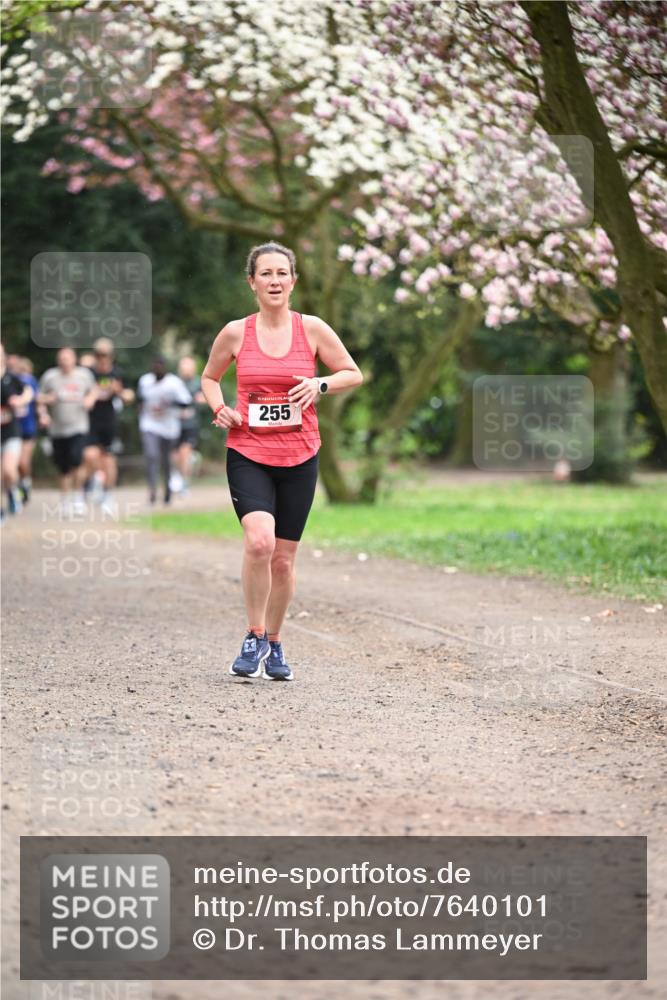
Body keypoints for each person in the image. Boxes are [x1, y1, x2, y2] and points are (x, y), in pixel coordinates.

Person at [201, 242, 363, 682]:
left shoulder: (312, 329)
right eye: (265, 274)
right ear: (252, 282)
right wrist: (219, 408)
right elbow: (210, 377)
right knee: (259, 543)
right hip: (248, 451)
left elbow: (352, 372)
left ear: (293, 280)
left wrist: (320, 385)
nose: (274, 281)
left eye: (281, 273)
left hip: (300, 454)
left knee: (284, 561)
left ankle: (274, 643)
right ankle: (252, 634)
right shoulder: (236, 333)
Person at [37, 347, 97, 514]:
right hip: (57, 428)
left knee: (77, 459)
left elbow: (93, 391)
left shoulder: (83, 375)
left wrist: (89, 400)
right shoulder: (50, 376)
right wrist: (44, 411)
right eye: (62, 358)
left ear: (74, 359)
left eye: (67, 358)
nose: (65, 361)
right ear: (58, 360)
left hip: (79, 426)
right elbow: (39, 398)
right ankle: (65, 500)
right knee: (63, 467)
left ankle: (78, 496)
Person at [82, 337, 131, 512]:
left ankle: (107, 495)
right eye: (98, 354)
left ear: (111, 355)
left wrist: (119, 392)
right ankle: (92, 481)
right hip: (91, 421)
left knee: (109, 461)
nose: (102, 358)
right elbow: (82, 396)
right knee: (90, 456)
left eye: (105, 354)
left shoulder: (117, 373)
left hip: (109, 421)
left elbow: (129, 396)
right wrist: (92, 394)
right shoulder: (88, 374)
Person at [137, 356, 192, 505]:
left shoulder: (173, 383)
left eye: (159, 368)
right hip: (149, 424)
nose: (157, 370)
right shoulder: (145, 381)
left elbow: (186, 402)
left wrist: (170, 404)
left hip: (169, 427)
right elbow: (140, 400)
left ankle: (167, 489)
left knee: (166, 461)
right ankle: (152, 490)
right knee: (151, 455)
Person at [1, 345, 34, 517]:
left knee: (8, 469)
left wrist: (20, 400)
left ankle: (13, 490)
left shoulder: (11, 378)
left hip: (11, 432)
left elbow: (29, 392)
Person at [173, 355, 206, 495]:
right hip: (173, 424)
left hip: (190, 425)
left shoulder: (199, 382)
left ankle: (184, 483)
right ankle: (179, 476)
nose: (185, 369)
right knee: (174, 456)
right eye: (183, 366)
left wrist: (201, 400)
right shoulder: (173, 382)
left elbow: (206, 398)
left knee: (184, 453)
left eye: (188, 366)